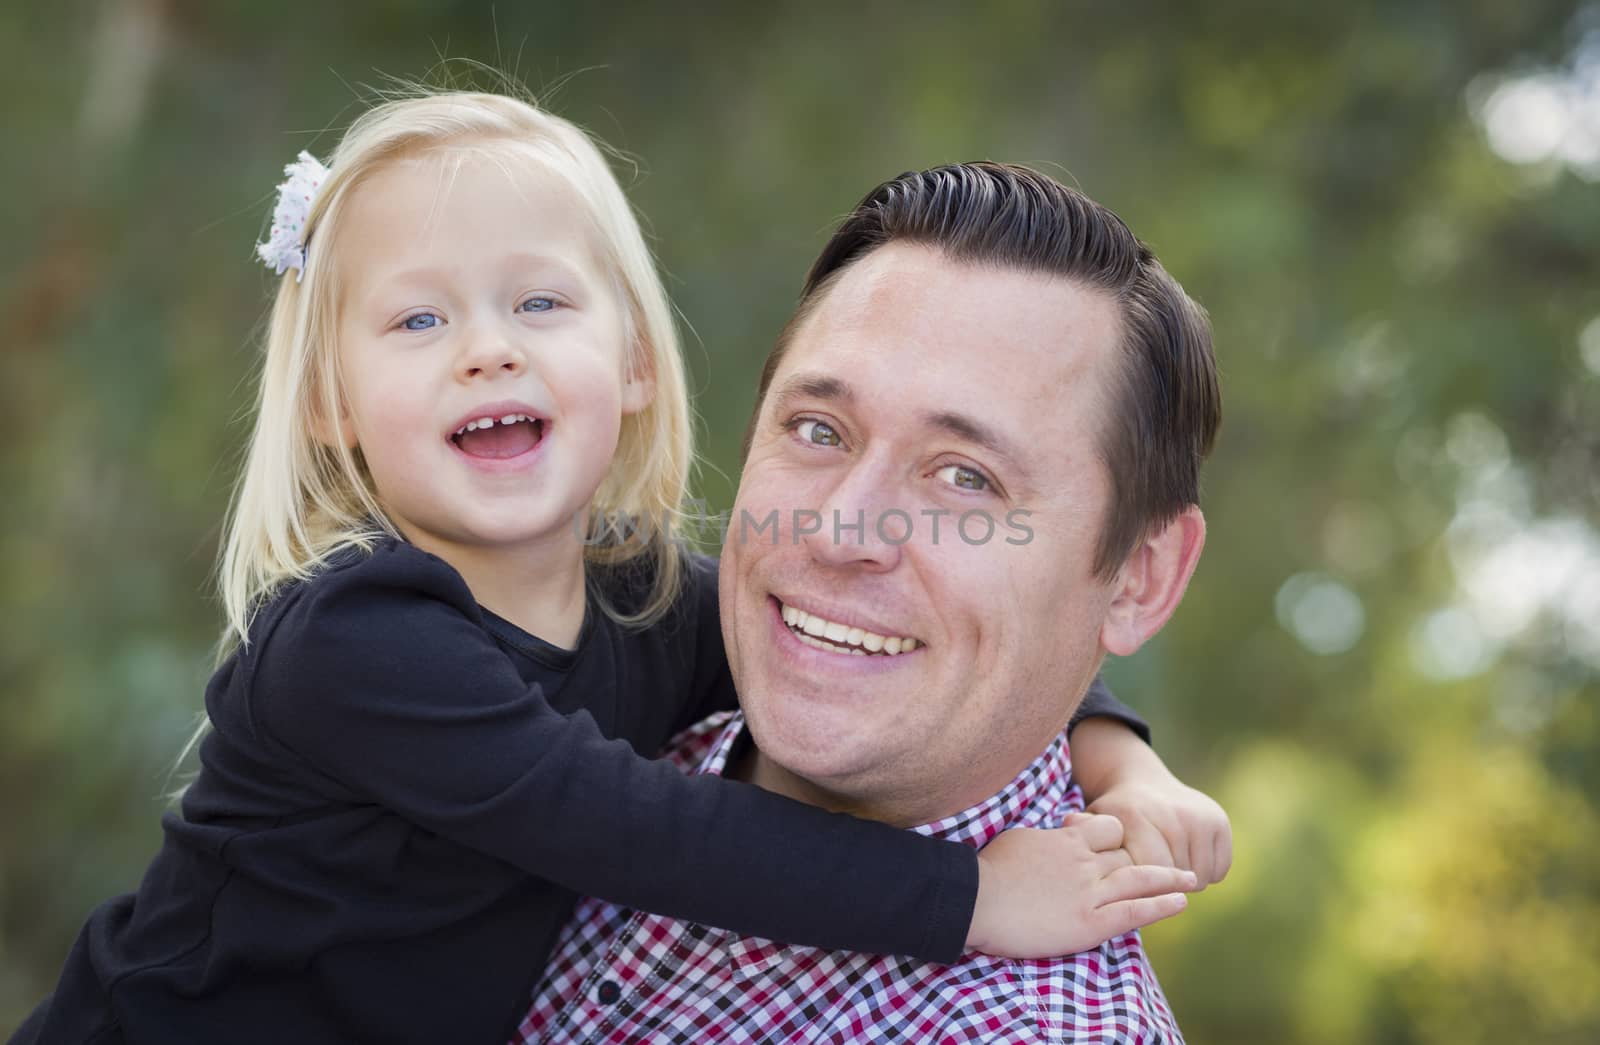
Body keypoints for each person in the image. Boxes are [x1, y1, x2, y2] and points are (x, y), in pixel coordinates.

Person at [11, 97, 1212, 1045]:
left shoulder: (633, 600)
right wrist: (968, 900)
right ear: (330, 400)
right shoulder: (355, 638)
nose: (488, 351)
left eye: (965, 479)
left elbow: (882, 627)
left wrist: (1120, 761)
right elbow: (641, 830)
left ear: (635, 359)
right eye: (418, 322)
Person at [516, 162, 1226, 1043]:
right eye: (819, 430)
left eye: (964, 477)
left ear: (1138, 578)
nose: (838, 528)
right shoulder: (603, 685)